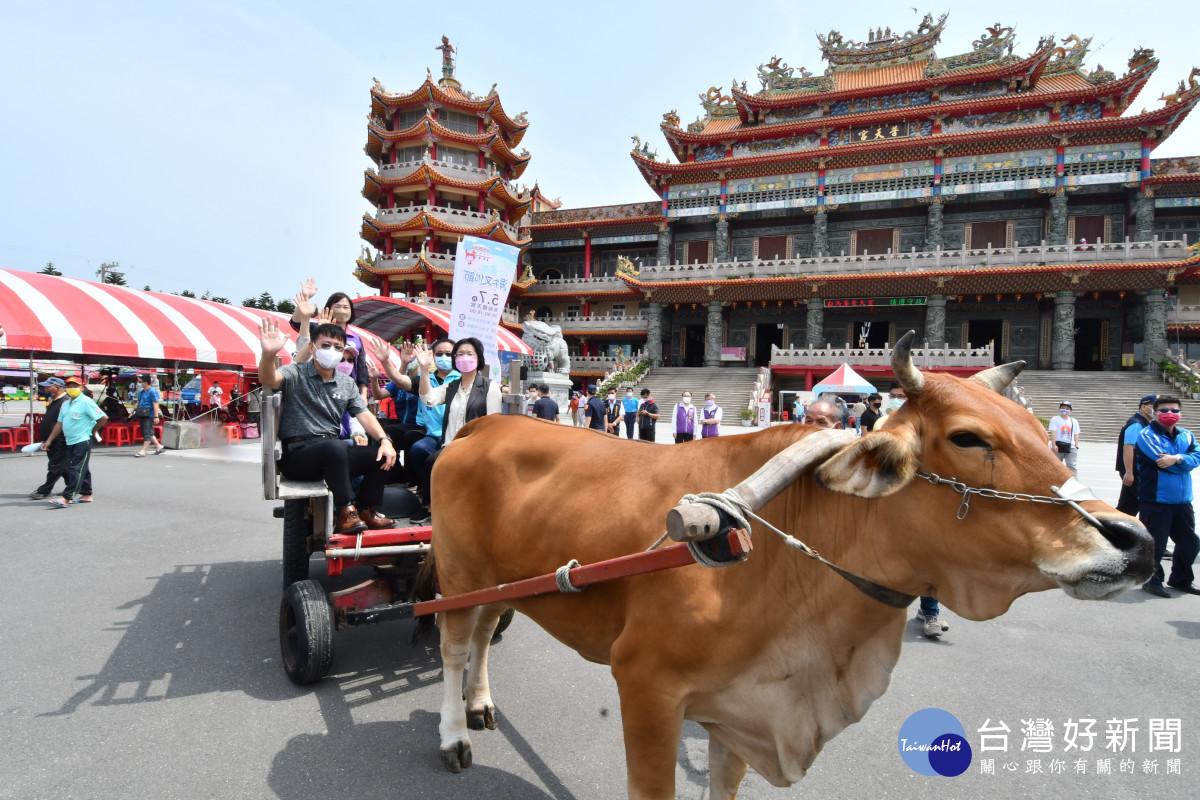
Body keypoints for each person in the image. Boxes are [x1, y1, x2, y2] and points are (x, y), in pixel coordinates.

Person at [259, 318, 397, 534]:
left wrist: (385, 441)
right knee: (336, 446)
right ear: (312, 348)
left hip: (333, 453)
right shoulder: (296, 373)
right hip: (299, 455)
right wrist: (268, 354)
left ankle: (366, 510)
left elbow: (364, 415)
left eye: (338, 347)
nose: (332, 351)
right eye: (325, 345)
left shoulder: (346, 383)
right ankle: (345, 511)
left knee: (379, 456)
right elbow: (269, 379)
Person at [414, 337, 502, 524]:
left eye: (469, 353)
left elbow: (494, 425)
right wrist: (423, 369)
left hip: (478, 448)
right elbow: (428, 398)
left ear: (478, 358)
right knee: (431, 461)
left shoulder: (490, 387)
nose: (464, 357)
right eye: (459, 354)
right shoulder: (451, 386)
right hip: (452, 447)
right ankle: (430, 507)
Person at [375, 337, 458, 516]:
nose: (444, 357)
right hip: (433, 435)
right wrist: (385, 362)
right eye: (440, 354)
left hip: (458, 437)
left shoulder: (461, 379)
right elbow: (399, 381)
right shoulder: (425, 379)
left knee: (433, 458)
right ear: (433, 357)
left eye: (449, 354)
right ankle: (424, 491)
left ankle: (443, 495)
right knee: (418, 450)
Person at [1134, 395, 1200, 597]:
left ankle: (1181, 579)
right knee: (1156, 544)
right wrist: (1183, 462)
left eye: (1174, 410)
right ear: (1154, 412)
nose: (1169, 414)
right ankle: (1152, 580)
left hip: (1182, 500)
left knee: (1190, 542)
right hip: (1156, 499)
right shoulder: (1146, 435)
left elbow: (1197, 456)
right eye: (1164, 410)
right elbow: (1160, 462)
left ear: (1180, 413)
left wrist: (1177, 458)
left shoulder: (1186, 435)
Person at [41, 375, 108, 507]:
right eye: (69, 386)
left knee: (76, 468)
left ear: (82, 387)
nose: (72, 389)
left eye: (75, 386)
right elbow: (59, 423)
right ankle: (86, 494)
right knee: (83, 467)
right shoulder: (66, 404)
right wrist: (49, 440)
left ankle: (67, 496)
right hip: (70, 440)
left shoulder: (86, 402)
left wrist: (93, 430)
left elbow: (103, 417)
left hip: (82, 439)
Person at [28, 377, 69, 500]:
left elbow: (60, 422)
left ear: (58, 387)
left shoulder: (65, 401)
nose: (45, 389)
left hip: (59, 438)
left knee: (55, 465)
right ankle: (74, 487)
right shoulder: (55, 400)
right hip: (51, 437)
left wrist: (50, 438)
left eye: (48, 386)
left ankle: (44, 490)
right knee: (63, 466)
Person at [1116, 394, 1156, 516]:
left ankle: (1113, 532)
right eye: (1155, 407)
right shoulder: (1136, 424)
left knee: (1127, 507)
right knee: (1148, 504)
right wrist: (1129, 472)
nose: (1158, 411)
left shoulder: (1143, 423)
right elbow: (1128, 447)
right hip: (1135, 471)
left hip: (1134, 471)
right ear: (1144, 407)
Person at [132, 373, 165, 457]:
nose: (140, 383)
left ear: (146, 382)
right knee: (147, 432)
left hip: (149, 414)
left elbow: (155, 404)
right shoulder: (141, 391)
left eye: (141, 382)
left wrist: (156, 416)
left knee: (147, 433)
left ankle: (143, 451)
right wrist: (132, 412)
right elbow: (138, 402)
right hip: (141, 413)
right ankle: (158, 446)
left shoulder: (153, 391)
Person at [1047, 401, 1079, 474]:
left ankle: (1073, 482)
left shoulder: (1074, 421)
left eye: (1067, 409)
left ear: (1070, 411)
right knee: (1056, 466)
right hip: (1057, 446)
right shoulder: (1055, 419)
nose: (1065, 410)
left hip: (1071, 446)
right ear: (1060, 409)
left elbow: (1076, 434)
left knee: (1071, 466)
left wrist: (1076, 446)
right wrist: (1054, 445)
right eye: (1063, 408)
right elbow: (1053, 432)